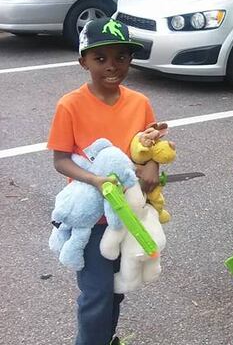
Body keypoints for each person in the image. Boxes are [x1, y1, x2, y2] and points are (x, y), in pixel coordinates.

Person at [47, 17, 163, 345]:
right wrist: (96, 180)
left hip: (129, 213)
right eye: (100, 58)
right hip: (92, 217)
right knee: (96, 293)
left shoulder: (139, 102)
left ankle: (106, 337)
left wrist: (153, 165)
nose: (112, 66)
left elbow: (151, 145)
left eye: (121, 57)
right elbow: (61, 160)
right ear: (83, 61)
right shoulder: (70, 105)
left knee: (116, 289)